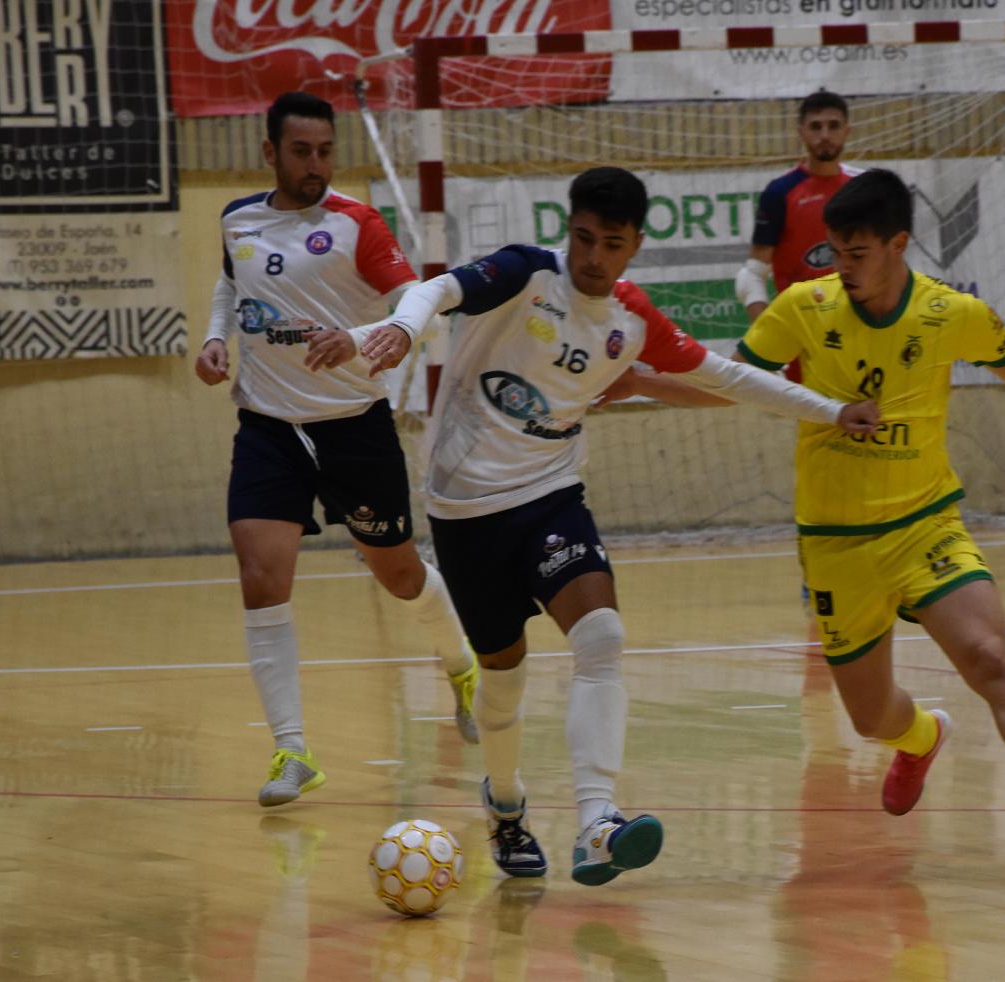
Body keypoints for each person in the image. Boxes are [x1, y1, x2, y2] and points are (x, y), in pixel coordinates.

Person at [355, 166, 879, 886]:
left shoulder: (632, 320)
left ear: (634, 246)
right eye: (583, 238)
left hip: (550, 496)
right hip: (465, 512)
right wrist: (401, 327)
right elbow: (439, 290)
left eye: (611, 244)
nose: (593, 257)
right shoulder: (525, 274)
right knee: (503, 682)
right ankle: (505, 804)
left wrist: (831, 410)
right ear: (567, 229)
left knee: (601, 636)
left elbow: (727, 377)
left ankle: (598, 822)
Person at [626, 168, 1005, 850]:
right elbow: (732, 384)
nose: (843, 266)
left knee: (988, 658)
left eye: (857, 253)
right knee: (870, 718)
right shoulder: (804, 306)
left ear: (898, 244)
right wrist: (640, 382)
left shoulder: (951, 313)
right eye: (835, 251)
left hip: (925, 524)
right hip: (837, 542)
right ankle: (921, 739)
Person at [194, 92, 480, 808]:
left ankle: (460, 662)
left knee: (399, 575)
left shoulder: (357, 223)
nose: (315, 165)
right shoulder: (238, 220)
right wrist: (215, 337)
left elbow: (414, 299)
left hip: (353, 426)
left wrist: (361, 339)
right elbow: (230, 285)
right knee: (261, 577)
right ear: (271, 153)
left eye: (325, 151)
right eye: (301, 152)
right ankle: (292, 750)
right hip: (268, 427)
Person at [737, 91, 860, 367]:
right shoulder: (779, 193)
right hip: (803, 341)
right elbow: (751, 276)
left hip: (861, 333)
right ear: (801, 132)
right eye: (816, 127)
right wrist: (769, 336)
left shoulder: (863, 188)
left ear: (847, 131)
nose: (825, 135)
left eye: (834, 126)